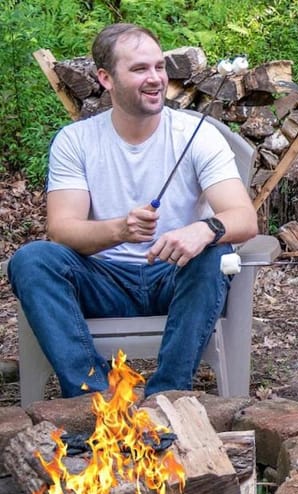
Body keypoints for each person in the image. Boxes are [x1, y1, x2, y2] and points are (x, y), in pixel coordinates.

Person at [6, 23, 258, 398]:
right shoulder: (76, 140)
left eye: (159, 66)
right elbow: (61, 228)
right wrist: (120, 230)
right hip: (101, 281)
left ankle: (167, 395)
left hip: (175, 277)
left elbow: (244, 218)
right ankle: (94, 397)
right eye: (140, 69)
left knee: (215, 254)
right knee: (32, 260)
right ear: (106, 78)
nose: (155, 78)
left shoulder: (197, 135)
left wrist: (204, 229)